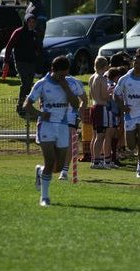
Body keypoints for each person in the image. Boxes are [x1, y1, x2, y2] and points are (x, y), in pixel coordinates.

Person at [23, 56, 84, 207]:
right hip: (46, 125)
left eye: (65, 74)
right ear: (53, 71)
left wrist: (65, 86)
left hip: (63, 126)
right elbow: (27, 105)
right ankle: (45, 197)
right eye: (60, 75)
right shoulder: (42, 84)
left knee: (58, 166)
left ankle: (40, 171)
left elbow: (76, 104)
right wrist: (41, 114)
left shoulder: (69, 83)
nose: (63, 77)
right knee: (50, 161)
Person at [114, 55, 140, 178]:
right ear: (133, 63)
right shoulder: (124, 79)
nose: (137, 65)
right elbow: (116, 95)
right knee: (131, 146)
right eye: (135, 62)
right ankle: (138, 147)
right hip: (129, 115)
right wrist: (122, 106)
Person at [2, 13, 42, 117]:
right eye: (30, 21)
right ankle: (20, 106)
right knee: (25, 83)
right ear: (26, 22)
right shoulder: (18, 32)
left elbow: (38, 48)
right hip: (20, 62)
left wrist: (37, 51)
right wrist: (6, 61)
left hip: (31, 63)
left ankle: (26, 106)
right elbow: (9, 46)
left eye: (34, 22)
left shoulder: (35, 33)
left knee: (29, 85)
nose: (32, 24)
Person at [58, 78, 88, 180]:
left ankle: (64, 171)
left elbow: (84, 99)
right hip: (55, 116)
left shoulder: (74, 82)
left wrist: (79, 113)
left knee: (70, 141)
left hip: (71, 115)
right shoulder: (49, 81)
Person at [89, 56, 110, 169]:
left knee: (95, 135)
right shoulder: (102, 78)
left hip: (94, 106)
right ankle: (96, 161)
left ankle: (94, 159)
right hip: (101, 108)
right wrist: (110, 93)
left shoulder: (92, 77)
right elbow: (104, 96)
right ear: (105, 66)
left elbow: (91, 95)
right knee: (100, 135)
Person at [25, 0, 47, 75]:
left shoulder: (40, 6)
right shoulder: (30, 5)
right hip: (28, 35)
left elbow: (41, 25)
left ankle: (38, 72)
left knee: (37, 53)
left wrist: (38, 38)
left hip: (36, 36)